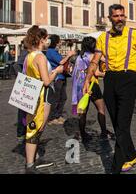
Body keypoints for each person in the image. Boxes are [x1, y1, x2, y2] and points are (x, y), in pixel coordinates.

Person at [82, 4, 136, 174]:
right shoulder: (103, 38)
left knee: (122, 124)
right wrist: (87, 80)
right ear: (110, 18)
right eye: (116, 16)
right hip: (110, 79)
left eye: (122, 15)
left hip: (129, 79)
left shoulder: (134, 35)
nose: (120, 19)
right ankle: (131, 155)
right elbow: (94, 61)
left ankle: (115, 168)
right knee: (116, 122)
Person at [22, 26, 64, 174]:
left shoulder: (30, 55)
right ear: (41, 39)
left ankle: (35, 157)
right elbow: (46, 81)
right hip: (41, 96)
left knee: (34, 127)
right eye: (46, 38)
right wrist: (57, 71)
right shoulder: (40, 57)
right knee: (36, 129)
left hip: (31, 94)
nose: (48, 41)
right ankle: (30, 165)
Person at [72, 37, 114, 142]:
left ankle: (82, 134)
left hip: (79, 86)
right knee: (101, 109)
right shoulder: (92, 56)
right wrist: (109, 74)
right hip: (91, 85)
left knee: (82, 112)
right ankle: (104, 132)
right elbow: (97, 73)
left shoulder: (79, 57)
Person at [46, 35, 76, 125]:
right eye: (59, 41)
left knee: (63, 98)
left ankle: (58, 115)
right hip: (56, 78)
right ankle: (52, 118)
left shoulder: (55, 51)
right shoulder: (51, 52)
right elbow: (61, 62)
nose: (60, 43)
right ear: (56, 42)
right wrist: (68, 55)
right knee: (56, 98)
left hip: (62, 77)